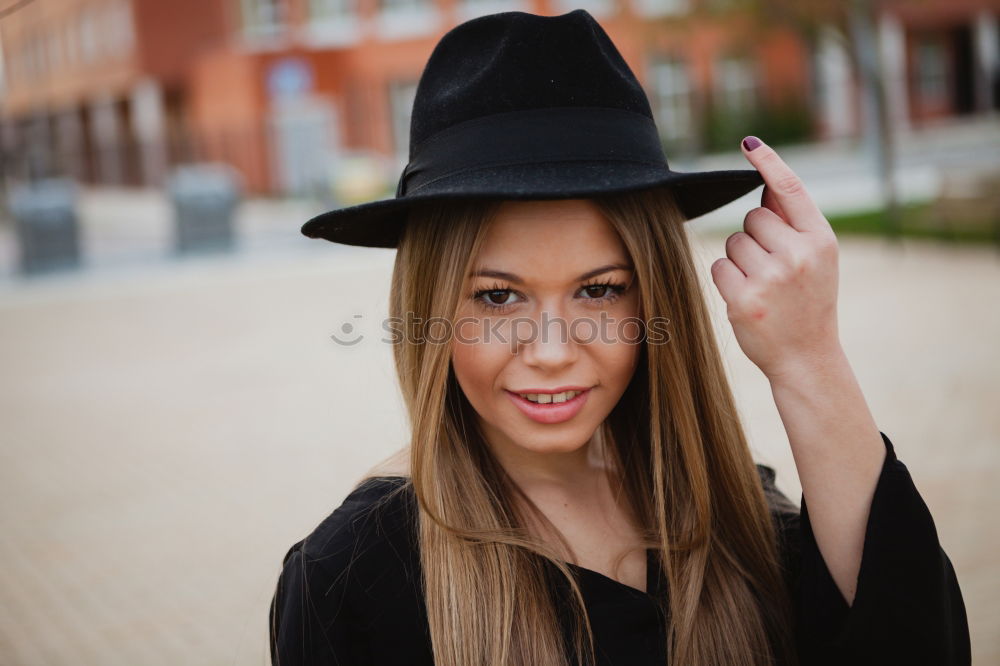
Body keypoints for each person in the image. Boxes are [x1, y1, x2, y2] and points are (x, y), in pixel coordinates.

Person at [269, 9, 970, 666]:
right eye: (496, 296)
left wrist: (809, 357)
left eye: (600, 289)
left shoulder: (734, 517)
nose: (549, 351)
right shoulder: (350, 578)